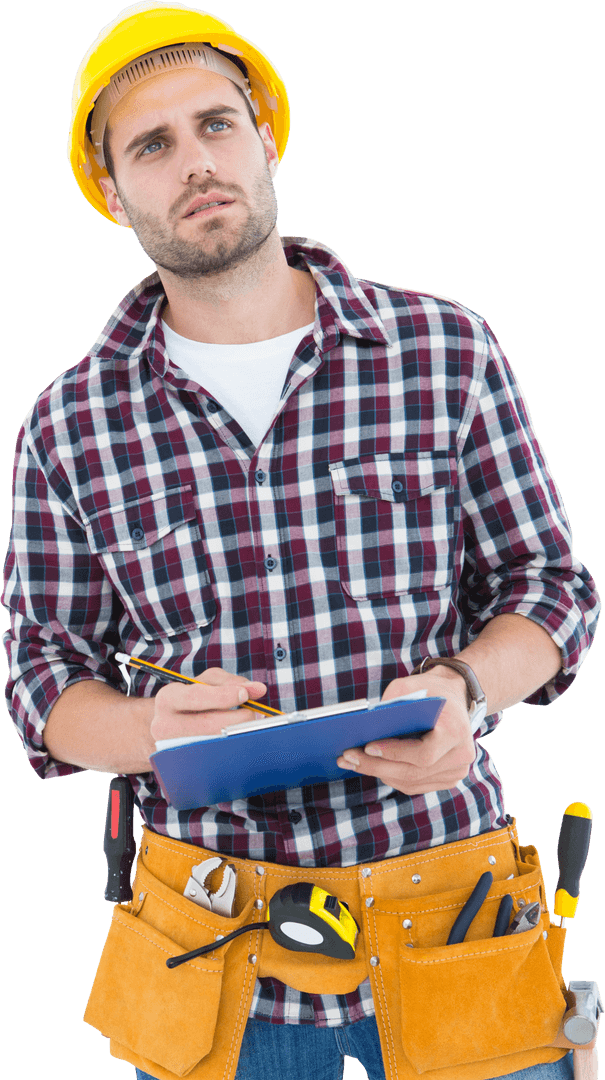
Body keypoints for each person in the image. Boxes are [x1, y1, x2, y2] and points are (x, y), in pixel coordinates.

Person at [2, 3, 600, 1080]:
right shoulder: (69, 424)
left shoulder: (441, 349)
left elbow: (551, 587)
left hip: (452, 933)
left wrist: (465, 688)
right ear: (111, 192)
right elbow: (37, 673)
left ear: (265, 136)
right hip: (213, 969)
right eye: (152, 145)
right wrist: (150, 730)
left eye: (216, 124)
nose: (195, 163)